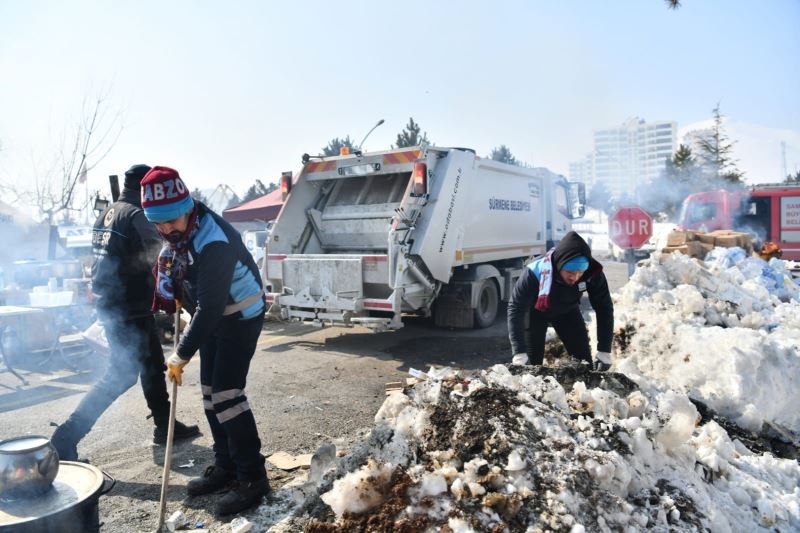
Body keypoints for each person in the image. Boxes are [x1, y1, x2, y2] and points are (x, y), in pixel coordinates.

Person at [139, 166, 268, 515]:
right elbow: (200, 295)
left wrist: (180, 354)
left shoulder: (214, 241)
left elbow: (211, 308)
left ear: (186, 207)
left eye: (171, 221)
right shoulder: (181, 236)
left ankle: (253, 478)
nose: (166, 229)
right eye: (159, 223)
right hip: (213, 317)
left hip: (240, 316)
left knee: (228, 395)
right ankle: (226, 465)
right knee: (211, 397)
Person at [51, 164, 200, 461]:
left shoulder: (105, 214)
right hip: (127, 306)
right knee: (120, 375)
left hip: (116, 303)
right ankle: (65, 438)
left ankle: (164, 425)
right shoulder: (134, 214)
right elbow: (158, 256)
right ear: (143, 189)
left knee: (152, 364)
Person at [507, 231, 614, 370]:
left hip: (567, 311)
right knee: (531, 369)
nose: (575, 277)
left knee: (584, 364)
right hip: (535, 312)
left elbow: (604, 308)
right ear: (559, 265)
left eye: (579, 272)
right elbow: (515, 308)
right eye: (570, 272)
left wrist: (604, 349)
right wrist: (519, 351)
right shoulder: (534, 272)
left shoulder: (592, 273)